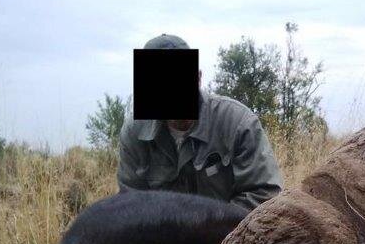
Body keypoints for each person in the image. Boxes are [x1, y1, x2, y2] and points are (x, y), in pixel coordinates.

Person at [117, 33, 283, 211]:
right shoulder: (134, 132)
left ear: (197, 78)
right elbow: (131, 205)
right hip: (163, 236)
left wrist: (210, 227)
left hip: (232, 233)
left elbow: (265, 194)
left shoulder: (238, 122)